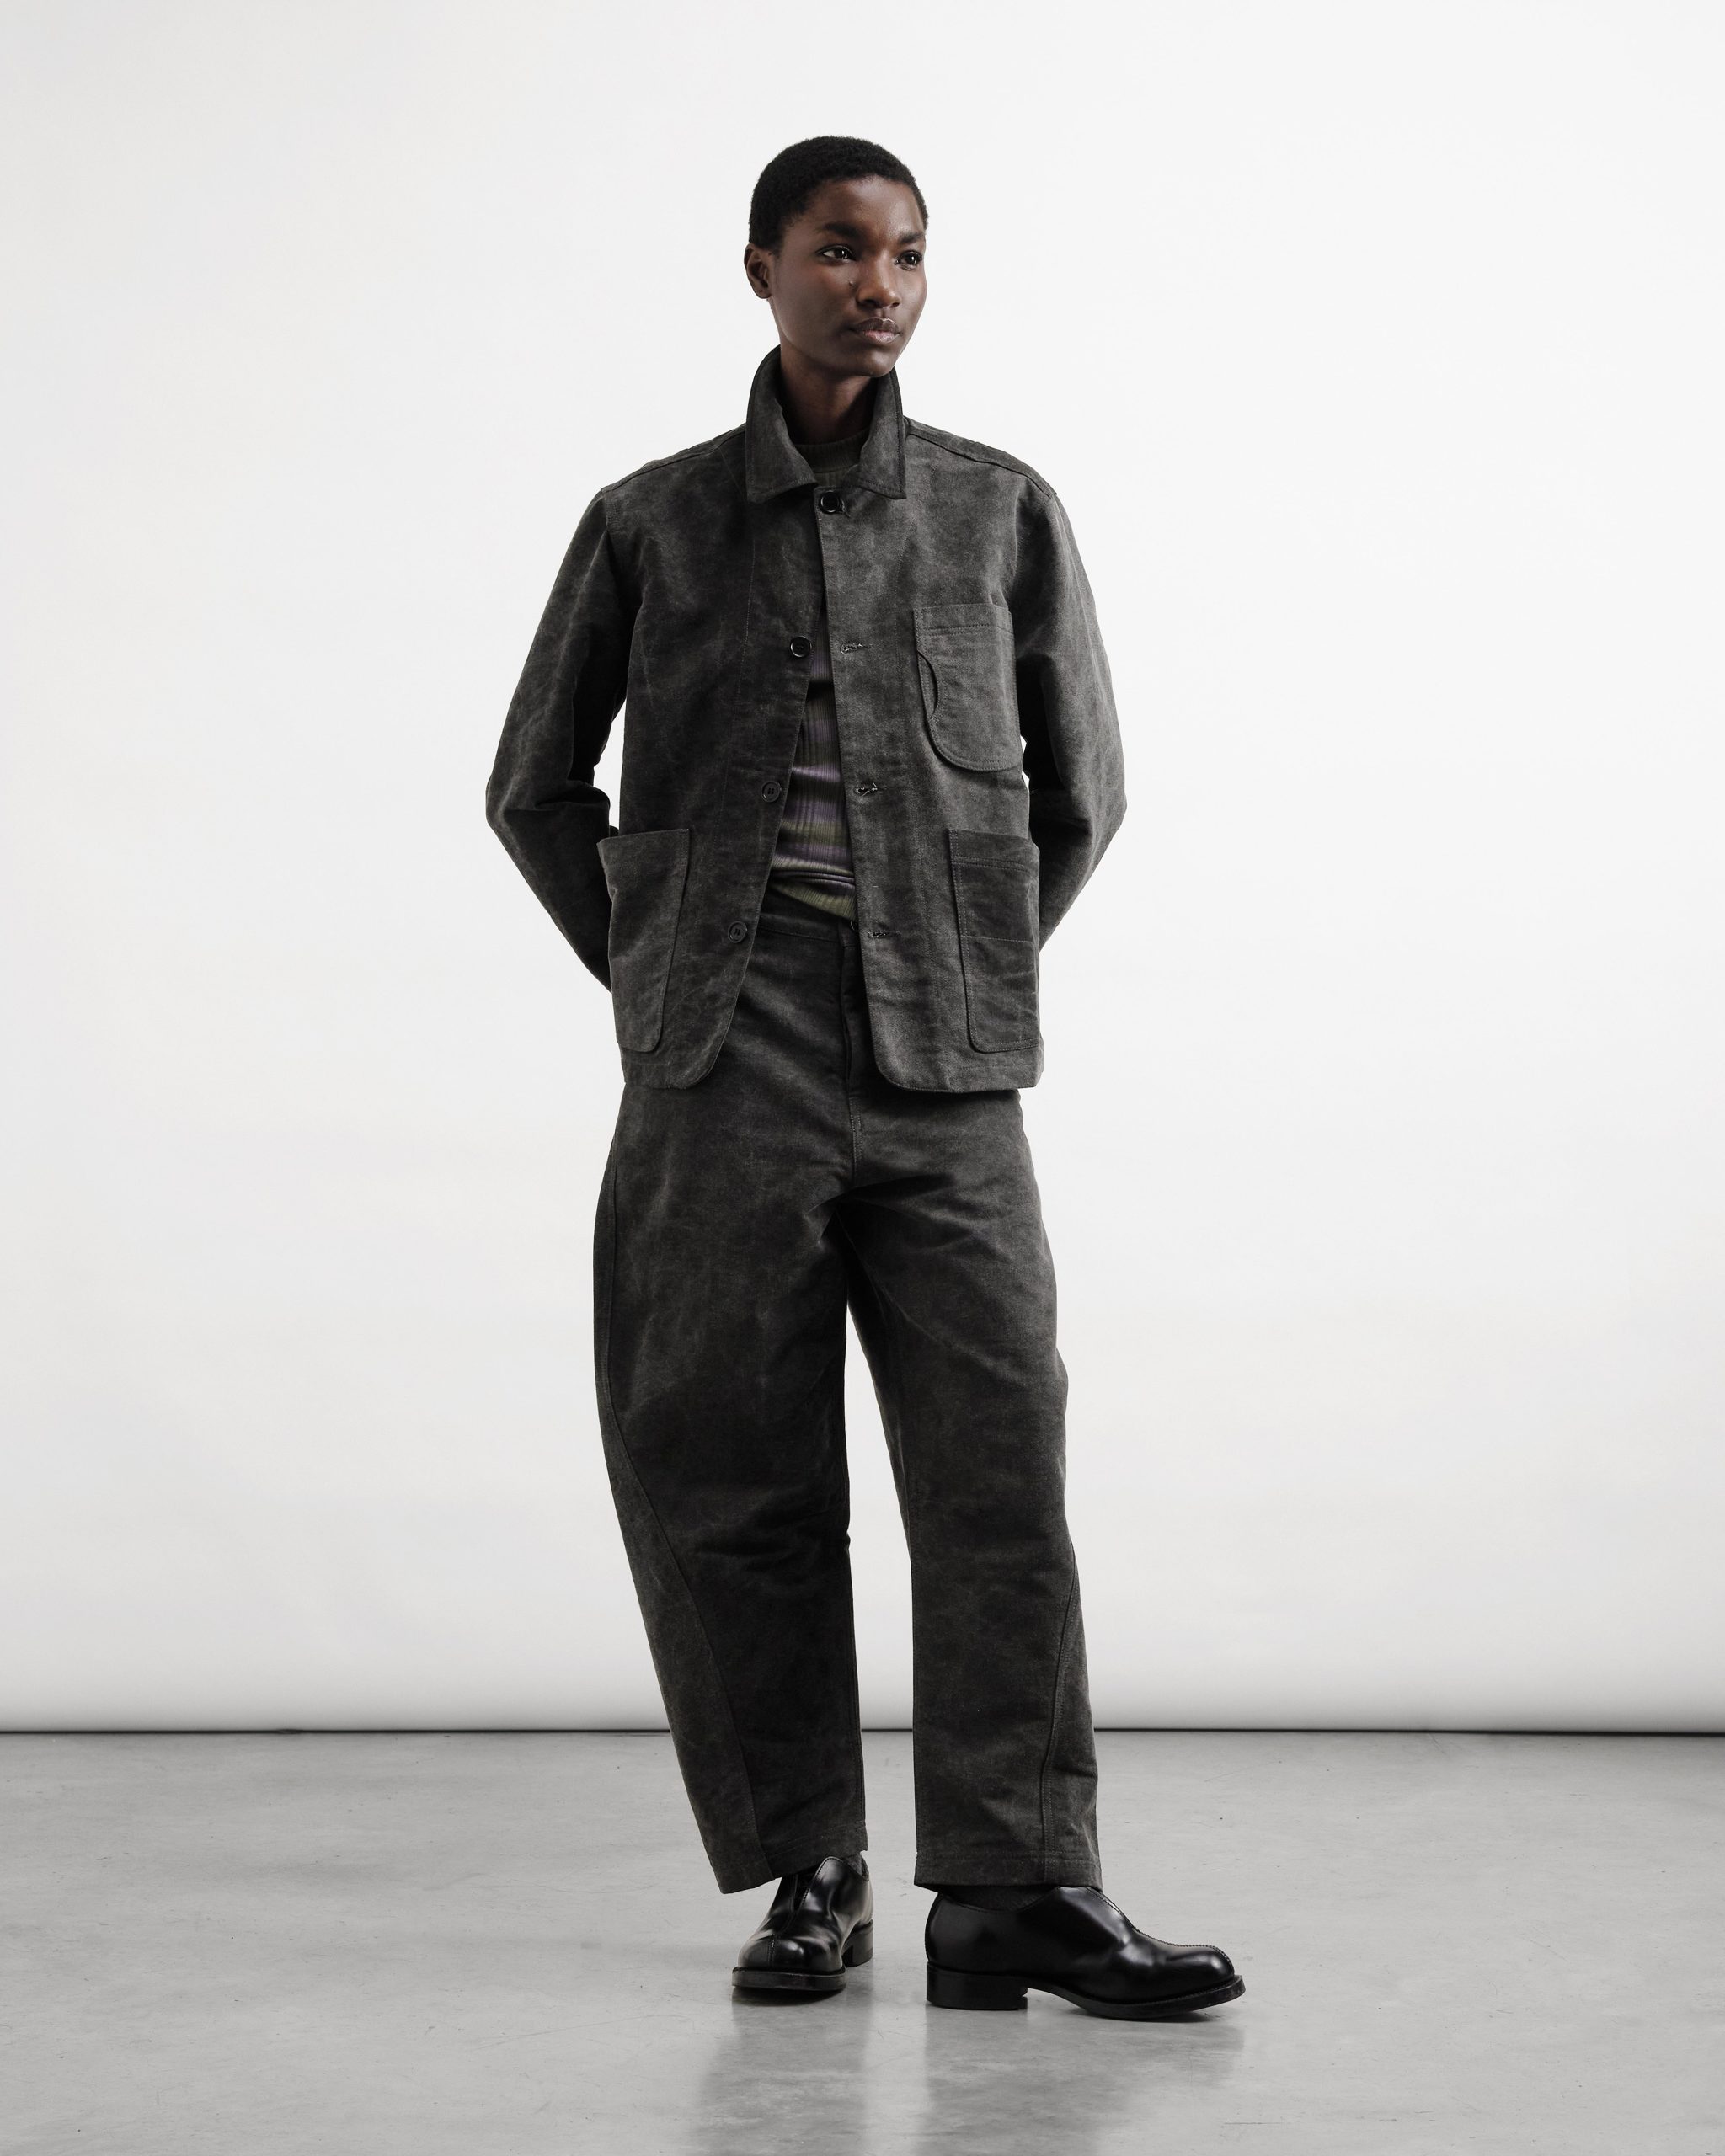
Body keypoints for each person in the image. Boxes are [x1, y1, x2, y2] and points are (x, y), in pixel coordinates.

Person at [486, 136, 1242, 2020]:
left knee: (998, 1468)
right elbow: (532, 785)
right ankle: (808, 1870)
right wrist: (670, 968)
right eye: (838, 249)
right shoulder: (652, 521)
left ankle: (1012, 1885)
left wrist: (959, 958)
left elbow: (1085, 790)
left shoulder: (999, 511)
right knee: (730, 1469)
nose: (878, 284)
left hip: (945, 1069)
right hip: (720, 1064)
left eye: (906, 252)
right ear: (760, 267)